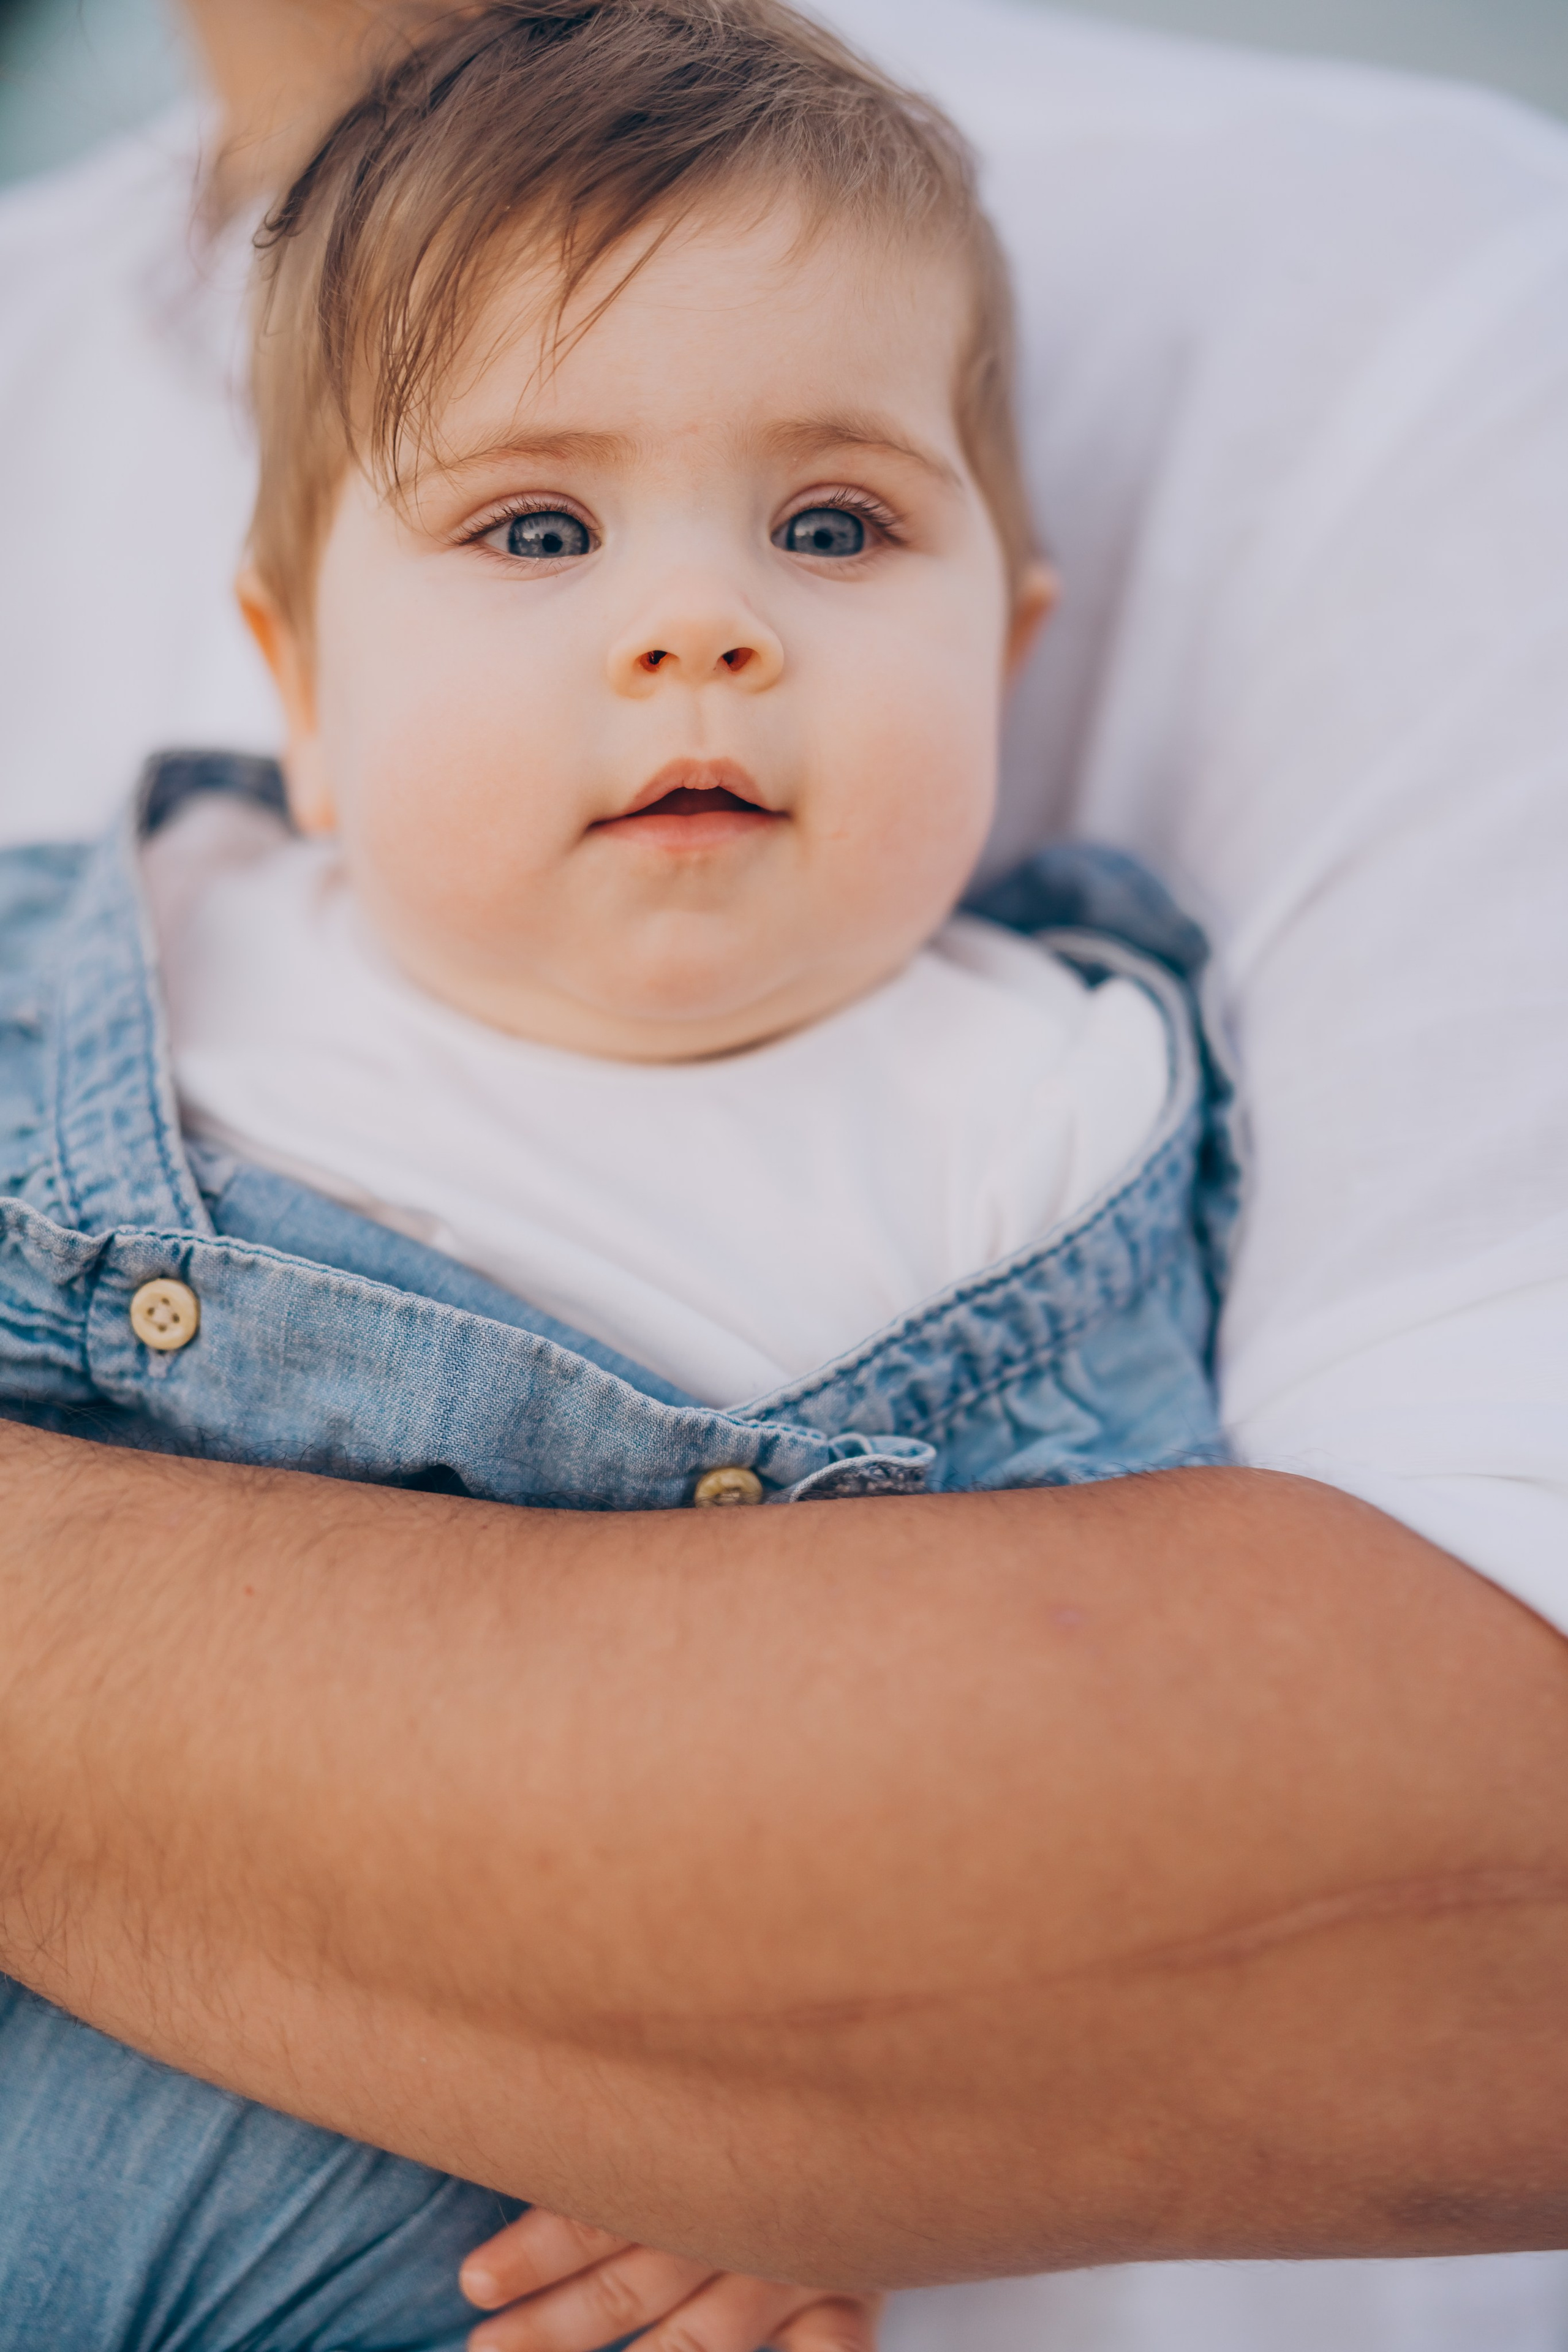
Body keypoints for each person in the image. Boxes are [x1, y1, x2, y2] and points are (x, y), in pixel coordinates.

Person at [0, 0, 1564, 2346]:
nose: (699, 621)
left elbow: (1377, 1880)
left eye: (835, 527)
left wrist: (844, 2084)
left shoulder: (1051, 1119)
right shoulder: (141, 967)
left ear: (1009, 653)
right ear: (293, 692)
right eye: (537, 527)